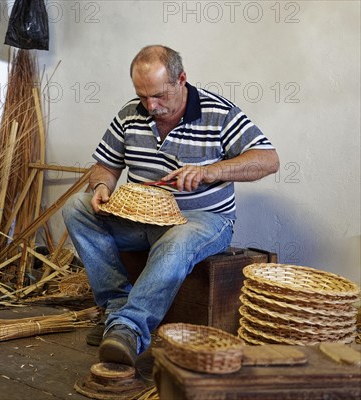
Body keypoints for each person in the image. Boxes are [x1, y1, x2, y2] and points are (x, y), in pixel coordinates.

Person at [62, 45, 279, 366]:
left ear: (182, 79)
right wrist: (101, 187)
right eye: (143, 96)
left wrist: (209, 171)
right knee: (76, 208)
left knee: (176, 241)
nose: (151, 105)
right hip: (140, 219)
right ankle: (116, 306)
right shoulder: (130, 114)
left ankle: (128, 329)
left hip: (202, 219)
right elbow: (105, 166)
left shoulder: (217, 113)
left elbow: (268, 159)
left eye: (160, 96)